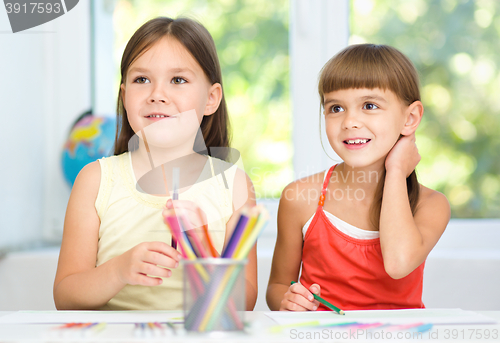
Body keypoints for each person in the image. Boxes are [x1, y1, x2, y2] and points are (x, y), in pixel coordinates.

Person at [54, 17, 257, 311]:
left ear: (211, 99)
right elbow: (65, 296)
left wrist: (203, 252)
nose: (157, 95)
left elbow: (244, 303)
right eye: (141, 80)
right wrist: (118, 270)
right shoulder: (95, 180)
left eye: (178, 80)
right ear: (124, 97)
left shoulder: (235, 187)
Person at [266, 44, 450, 311]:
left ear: (410, 118)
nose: (350, 121)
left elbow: (398, 264)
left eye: (369, 105)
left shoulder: (430, 205)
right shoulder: (300, 197)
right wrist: (287, 300)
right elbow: (277, 288)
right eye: (336, 108)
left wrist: (396, 171)